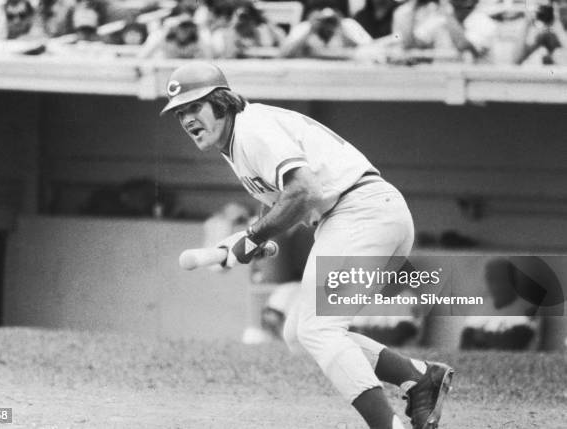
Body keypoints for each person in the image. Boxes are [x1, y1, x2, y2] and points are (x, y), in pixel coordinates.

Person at [161, 61, 454, 429]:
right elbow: (291, 205)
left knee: (318, 330)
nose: (187, 119)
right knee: (299, 331)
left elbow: (304, 191)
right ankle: (419, 377)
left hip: (359, 212)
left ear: (221, 102)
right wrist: (256, 240)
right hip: (362, 216)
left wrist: (252, 238)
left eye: (194, 107)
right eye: (180, 113)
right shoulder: (238, 141)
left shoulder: (251, 130)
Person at [392, 0, 497, 62]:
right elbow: (410, 45)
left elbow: (463, 46)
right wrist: (414, 5)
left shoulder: (485, 22)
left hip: (476, 89)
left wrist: (446, 9)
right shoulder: (440, 20)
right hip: (443, 86)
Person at [279, 0, 372, 58]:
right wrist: (311, 29)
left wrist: (340, 29)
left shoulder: (348, 25)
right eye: (320, 9)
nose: (325, 15)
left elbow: (372, 49)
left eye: (333, 9)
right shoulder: (305, 27)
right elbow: (284, 53)